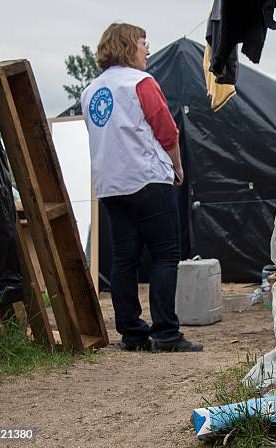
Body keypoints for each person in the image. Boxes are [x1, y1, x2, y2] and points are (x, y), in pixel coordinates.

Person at [81, 23, 203, 352]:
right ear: (127, 46)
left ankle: (132, 333)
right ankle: (165, 333)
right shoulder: (141, 83)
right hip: (147, 178)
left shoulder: (90, 91)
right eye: (143, 44)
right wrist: (177, 166)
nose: (147, 51)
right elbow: (166, 129)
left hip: (110, 184)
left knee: (125, 258)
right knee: (166, 255)